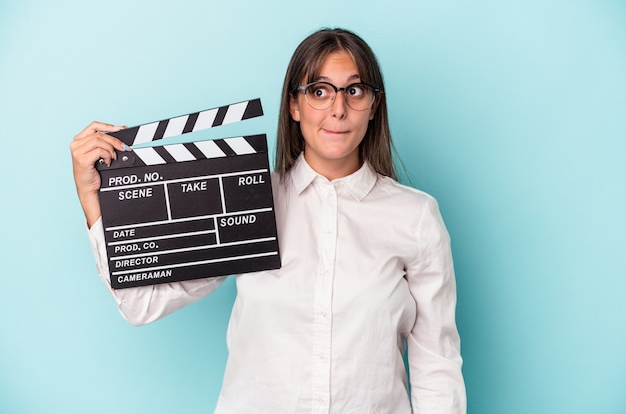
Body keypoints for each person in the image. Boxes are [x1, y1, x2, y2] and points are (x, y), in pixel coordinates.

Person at [70, 27, 466, 414]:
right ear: (294, 106)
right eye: (319, 91)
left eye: (354, 90)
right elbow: (141, 305)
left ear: (373, 105)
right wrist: (93, 199)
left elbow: (438, 365)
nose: (338, 108)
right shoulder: (249, 200)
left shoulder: (415, 217)